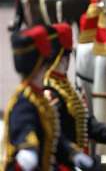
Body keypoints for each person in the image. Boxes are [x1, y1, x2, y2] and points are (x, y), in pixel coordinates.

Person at [3, 25, 94, 170]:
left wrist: (72, 153)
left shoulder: (39, 99)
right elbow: (24, 128)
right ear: (37, 68)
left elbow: (53, 138)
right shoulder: (25, 102)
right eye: (44, 65)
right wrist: (28, 148)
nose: (46, 68)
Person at [43, 23, 106, 157]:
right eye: (65, 56)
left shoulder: (64, 85)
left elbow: (85, 122)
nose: (67, 61)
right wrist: (73, 156)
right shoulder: (49, 91)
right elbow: (54, 136)